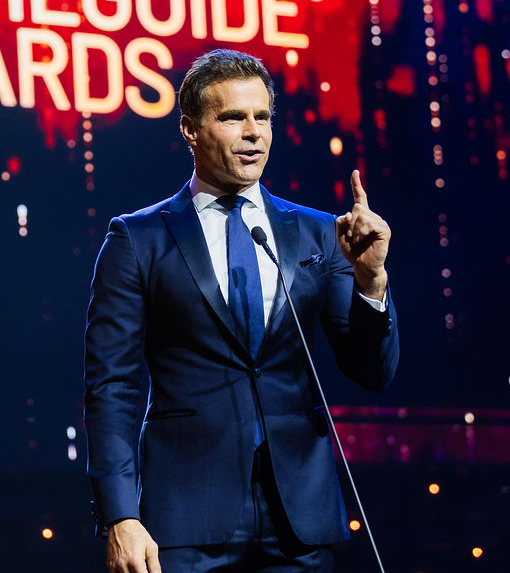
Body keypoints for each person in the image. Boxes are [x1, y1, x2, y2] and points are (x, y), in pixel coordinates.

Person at [83, 49, 399, 572]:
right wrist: (120, 516)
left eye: (262, 117)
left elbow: (372, 371)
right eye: (232, 117)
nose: (253, 133)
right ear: (190, 128)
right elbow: (110, 388)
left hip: (299, 519)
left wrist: (372, 281)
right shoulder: (138, 239)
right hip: (184, 519)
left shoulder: (322, 233)